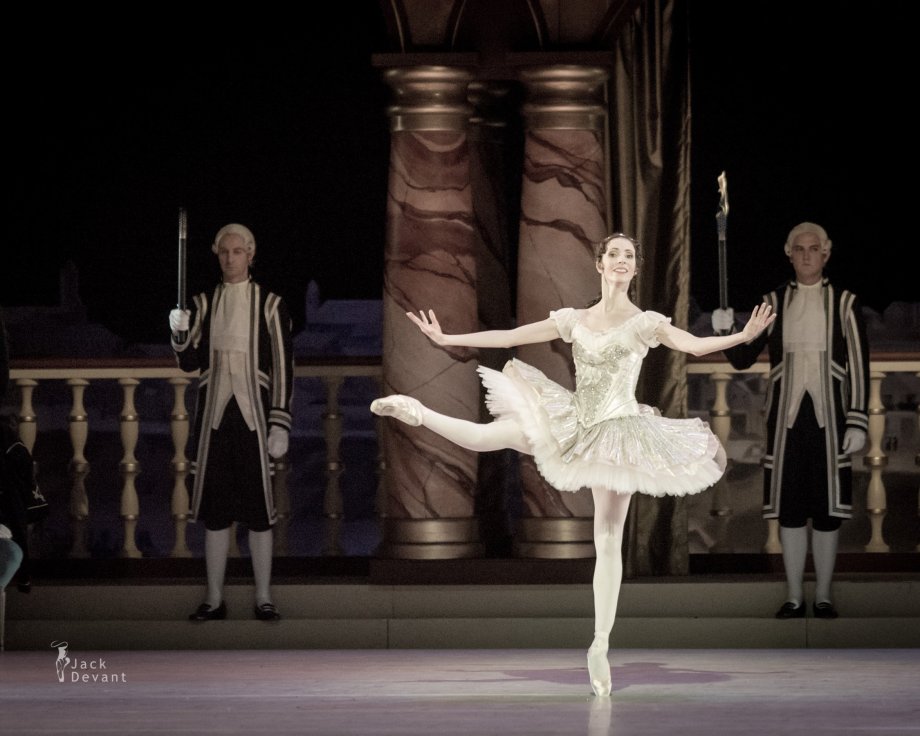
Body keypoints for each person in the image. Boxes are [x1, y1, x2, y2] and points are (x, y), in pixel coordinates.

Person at [371, 233, 776, 696]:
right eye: (614, 254)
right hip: (573, 421)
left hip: (619, 432)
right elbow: (510, 336)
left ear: (635, 269)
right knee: (488, 437)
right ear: (600, 265)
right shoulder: (574, 320)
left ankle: (600, 644)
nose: (621, 261)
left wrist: (742, 336)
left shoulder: (645, 323)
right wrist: (448, 338)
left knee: (607, 539)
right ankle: (417, 412)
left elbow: (694, 345)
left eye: (629, 256)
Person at [712, 221, 869, 620]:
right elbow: (744, 357)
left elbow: (859, 367)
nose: (806, 255)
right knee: (790, 509)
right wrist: (727, 330)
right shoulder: (773, 302)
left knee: (828, 509)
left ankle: (825, 595)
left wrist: (857, 421)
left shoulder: (845, 303)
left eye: (813, 249)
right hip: (785, 424)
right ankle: (796, 595)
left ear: (826, 253)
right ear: (788, 252)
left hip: (831, 424)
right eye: (799, 249)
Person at [169, 223, 294, 622]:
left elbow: (283, 367)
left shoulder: (271, 305)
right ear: (217, 254)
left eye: (237, 251)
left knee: (259, 512)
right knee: (215, 511)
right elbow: (189, 362)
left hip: (255, 420)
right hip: (215, 422)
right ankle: (214, 597)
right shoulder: (202, 304)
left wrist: (280, 422)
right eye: (224, 252)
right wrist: (179, 332)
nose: (230, 258)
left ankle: (263, 596)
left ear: (251, 255)